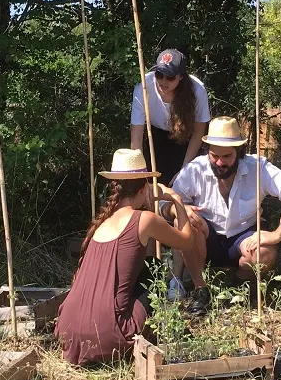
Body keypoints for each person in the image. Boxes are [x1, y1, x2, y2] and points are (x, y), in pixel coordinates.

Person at [55, 149, 205, 366]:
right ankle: (156, 333)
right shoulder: (145, 219)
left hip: (67, 331)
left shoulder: (102, 223)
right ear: (145, 187)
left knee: (143, 268)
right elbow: (186, 241)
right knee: (154, 270)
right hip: (110, 335)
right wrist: (176, 200)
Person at [165, 116, 281, 313]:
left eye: (227, 156)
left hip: (243, 238)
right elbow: (165, 203)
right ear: (207, 152)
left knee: (266, 253)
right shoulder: (195, 170)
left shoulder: (259, 169)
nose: (220, 162)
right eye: (214, 156)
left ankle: (240, 284)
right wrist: (179, 208)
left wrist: (278, 234)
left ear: (240, 152)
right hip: (204, 238)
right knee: (182, 219)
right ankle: (200, 290)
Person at [130, 48, 210, 184]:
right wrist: (140, 177)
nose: (163, 81)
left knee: (186, 186)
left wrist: (185, 170)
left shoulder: (197, 90)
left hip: (187, 141)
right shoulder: (143, 88)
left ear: (181, 76)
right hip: (155, 140)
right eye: (159, 74)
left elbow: (198, 132)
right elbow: (136, 138)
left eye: (170, 77)